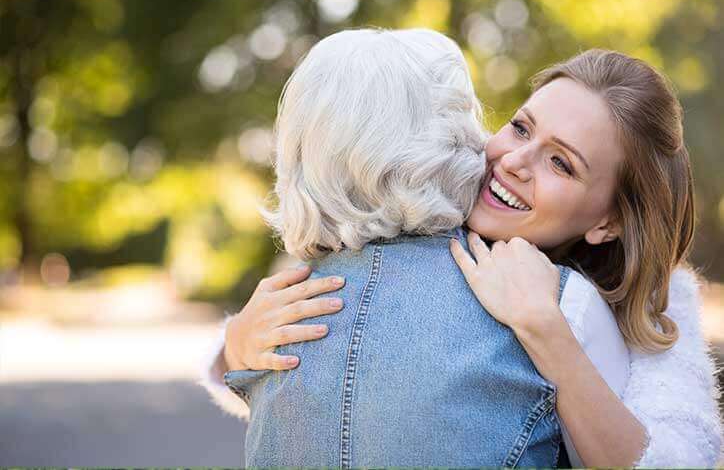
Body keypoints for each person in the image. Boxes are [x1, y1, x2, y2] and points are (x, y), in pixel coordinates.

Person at [201, 36, 722, 466]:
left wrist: (548, 331)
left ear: (608, 223)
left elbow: (674, 455)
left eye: (561, 163)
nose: (514, 161)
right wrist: (235, 348)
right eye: (520, 127)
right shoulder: (400, 225)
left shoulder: (619, 321)